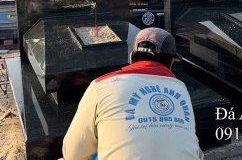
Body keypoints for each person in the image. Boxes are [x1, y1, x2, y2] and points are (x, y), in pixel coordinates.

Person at [62, 27, 203, 160]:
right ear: (171, 63)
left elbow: (73, 153)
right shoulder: (181, 88)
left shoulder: (101, 85)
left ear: (131, 58)